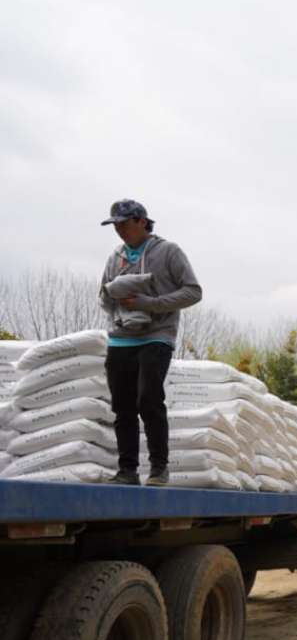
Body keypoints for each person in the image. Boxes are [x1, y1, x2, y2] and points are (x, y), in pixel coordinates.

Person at [98, 199, 202, 486]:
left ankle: (159, 468)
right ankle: (127, 471)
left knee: (149, 398)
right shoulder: (115, 257)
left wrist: (151, 303)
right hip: (121, 339)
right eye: (114, 225)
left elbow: (193, 292)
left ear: (142, 221)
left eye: (123, 223)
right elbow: (103, 296)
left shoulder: (168, 252)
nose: (119, 230)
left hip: (157, 335)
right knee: (122, 405)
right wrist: (114, 298)